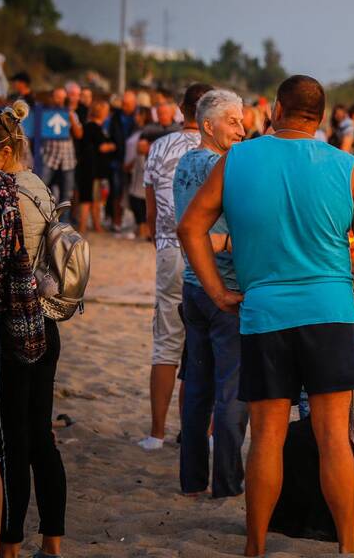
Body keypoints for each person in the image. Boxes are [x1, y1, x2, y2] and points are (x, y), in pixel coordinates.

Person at [178, 75, 354, 557]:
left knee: (267, 436)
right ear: (320, 116)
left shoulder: (238, 159)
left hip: (265, 313)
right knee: (333, 436)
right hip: (331, 314)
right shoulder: (346, 166)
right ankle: (349, 548)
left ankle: (255, 546)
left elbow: (190, 228)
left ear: (276, 108)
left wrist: (217, 291)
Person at [0, 101, 66, 558]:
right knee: (42, 434)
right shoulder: (38, 186)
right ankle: (53, 542)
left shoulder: (2, 194)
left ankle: (10, 544)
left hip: (8, 322)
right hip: (43, 320)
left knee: (11, 439)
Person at [173, 89, 248, 498]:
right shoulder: (224, 164)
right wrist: (234, 242)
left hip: (192, 286)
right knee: (231, 392)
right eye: (233, 121)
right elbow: (224, 228)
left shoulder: (186, 162)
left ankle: (191, 480)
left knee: (198, 388)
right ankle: (227, 483)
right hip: (224, 290)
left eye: (241, 120)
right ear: (207, 125)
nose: (242, 128)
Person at [138, 83, 211, 451]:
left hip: (170, 248)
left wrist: (162, 240)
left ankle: (156, 433)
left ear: (181, 108)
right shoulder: (221, 150)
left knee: (166, 342)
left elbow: (150, 212)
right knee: (206, 344)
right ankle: (202, 433)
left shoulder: (159, 147)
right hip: (212, 252)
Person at [38, 86, 82, 218]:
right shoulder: (45, 113)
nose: (60, 100)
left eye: (63, 97)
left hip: (67, 159)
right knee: (41, 190)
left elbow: (79, 134)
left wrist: (70, 116)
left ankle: (64, 225)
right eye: (57, 97)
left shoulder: (72, 113)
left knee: (66, 195)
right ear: (52, 97)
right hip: (49, 157)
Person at [77, 100, 116, 233]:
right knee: (90, 199)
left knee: (93, 200)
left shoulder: (90, 126)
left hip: (91, 169)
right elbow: (102, 147)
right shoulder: (94, 127)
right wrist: (113, 146)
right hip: (93, 170)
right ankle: (87, 226)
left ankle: (94, 225)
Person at [107, 89, 140, 233]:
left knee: (136, 193)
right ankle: (116, 221)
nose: (125, 106)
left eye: (128, 104)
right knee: (117, 191)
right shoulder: (115, 117)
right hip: (118, 159)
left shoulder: (139, 117)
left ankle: (138, 223)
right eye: (124, 103)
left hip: (135, 161)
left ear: (134, 104)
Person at [124, 107, 151, 239]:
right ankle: (141, 228)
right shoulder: (135, 129)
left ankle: (143, 229)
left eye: (138, 115)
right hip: (133, 165)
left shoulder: (147, 130)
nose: (135, 117)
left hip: (141, 165)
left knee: (139, 197)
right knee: (135, 197)